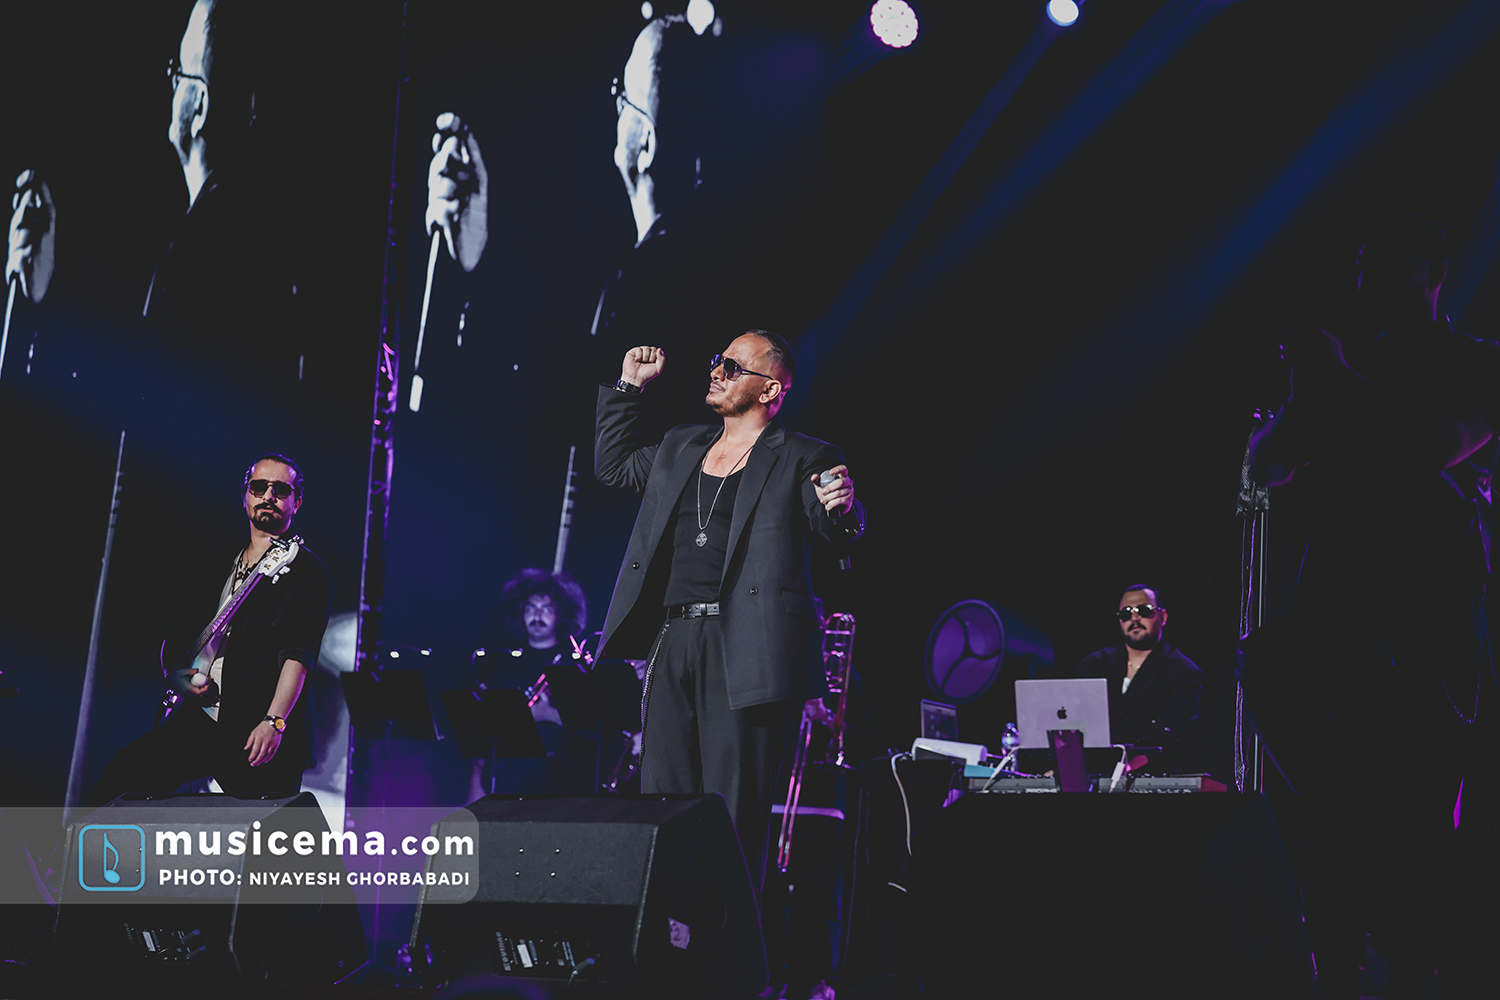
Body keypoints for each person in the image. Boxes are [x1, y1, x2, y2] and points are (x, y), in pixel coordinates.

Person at [1246, 213, 1497, 999]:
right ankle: (1337, 973)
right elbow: (1266, 466)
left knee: (1422, 817)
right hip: (1337, 616)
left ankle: (1414, 976)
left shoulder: (1476, 362)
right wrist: (1301, 396)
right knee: (1330, 816)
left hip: (1429, 620)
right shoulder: (1346, 363)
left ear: (1433, 275)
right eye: (1363, 264)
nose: (1368, 279)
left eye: (1387, 263)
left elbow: (1434, 445)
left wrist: (1334, 381)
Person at [594, 329, 865, 893]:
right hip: (674, 637)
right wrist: (627, 387)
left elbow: (833, 527)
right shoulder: (681, 445)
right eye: (718, 361)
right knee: (664, 802)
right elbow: (614, 466)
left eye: (733, 366)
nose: (716, 371)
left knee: (731, 811)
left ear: (769, 390)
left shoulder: (803, 456)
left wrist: (842, 507)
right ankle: (667, 936)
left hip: (747, 647)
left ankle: (728, 940)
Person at [84, 454, 329, 805]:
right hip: (204, 718)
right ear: (245, 496)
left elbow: (298, 655)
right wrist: (174, 675)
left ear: (297, 502)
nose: (268, 496)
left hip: (258, 730)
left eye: (281, 490)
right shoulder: (221, 559)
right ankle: (63, 843)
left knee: (269, 830)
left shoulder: (308, 571)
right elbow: (179, 628)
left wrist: (273, 722)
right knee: (123, 774)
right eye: (259, 487)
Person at [467, 568, 594, 801]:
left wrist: (548, 714)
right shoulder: (502, 664)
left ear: (561, 613)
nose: (537, 615)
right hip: (507, 783)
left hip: (560, 787)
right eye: (530, 608)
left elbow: (594, 729)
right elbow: (486, 734)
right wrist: (475, 784)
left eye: (547, 608)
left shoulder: (574, 665)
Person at [1072, 584, 1202, 769]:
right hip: (1092, 772)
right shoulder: (1093, 665)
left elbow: (1166, 733)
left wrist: (1127, 767)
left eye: (1144, 610)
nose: (1134, 618)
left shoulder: (1182, 671)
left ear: (1163, 616)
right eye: (1126, 613)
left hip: (1150, 773)